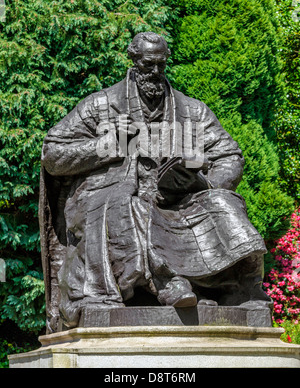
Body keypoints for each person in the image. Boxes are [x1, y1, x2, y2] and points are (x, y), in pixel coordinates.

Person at [40, 32, 272, 333]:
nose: (156, 73)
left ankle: (242, 290)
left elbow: (229, 155)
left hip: (180, 198)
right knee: (129, 206)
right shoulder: (101, 105)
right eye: (149, 65)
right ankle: (166, 283)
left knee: (225, 203)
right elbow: (53, 153)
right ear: (134, 62)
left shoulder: (192, 111)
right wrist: (109, 144)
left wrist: (207, 183)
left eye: (162, 65)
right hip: (113, 196)